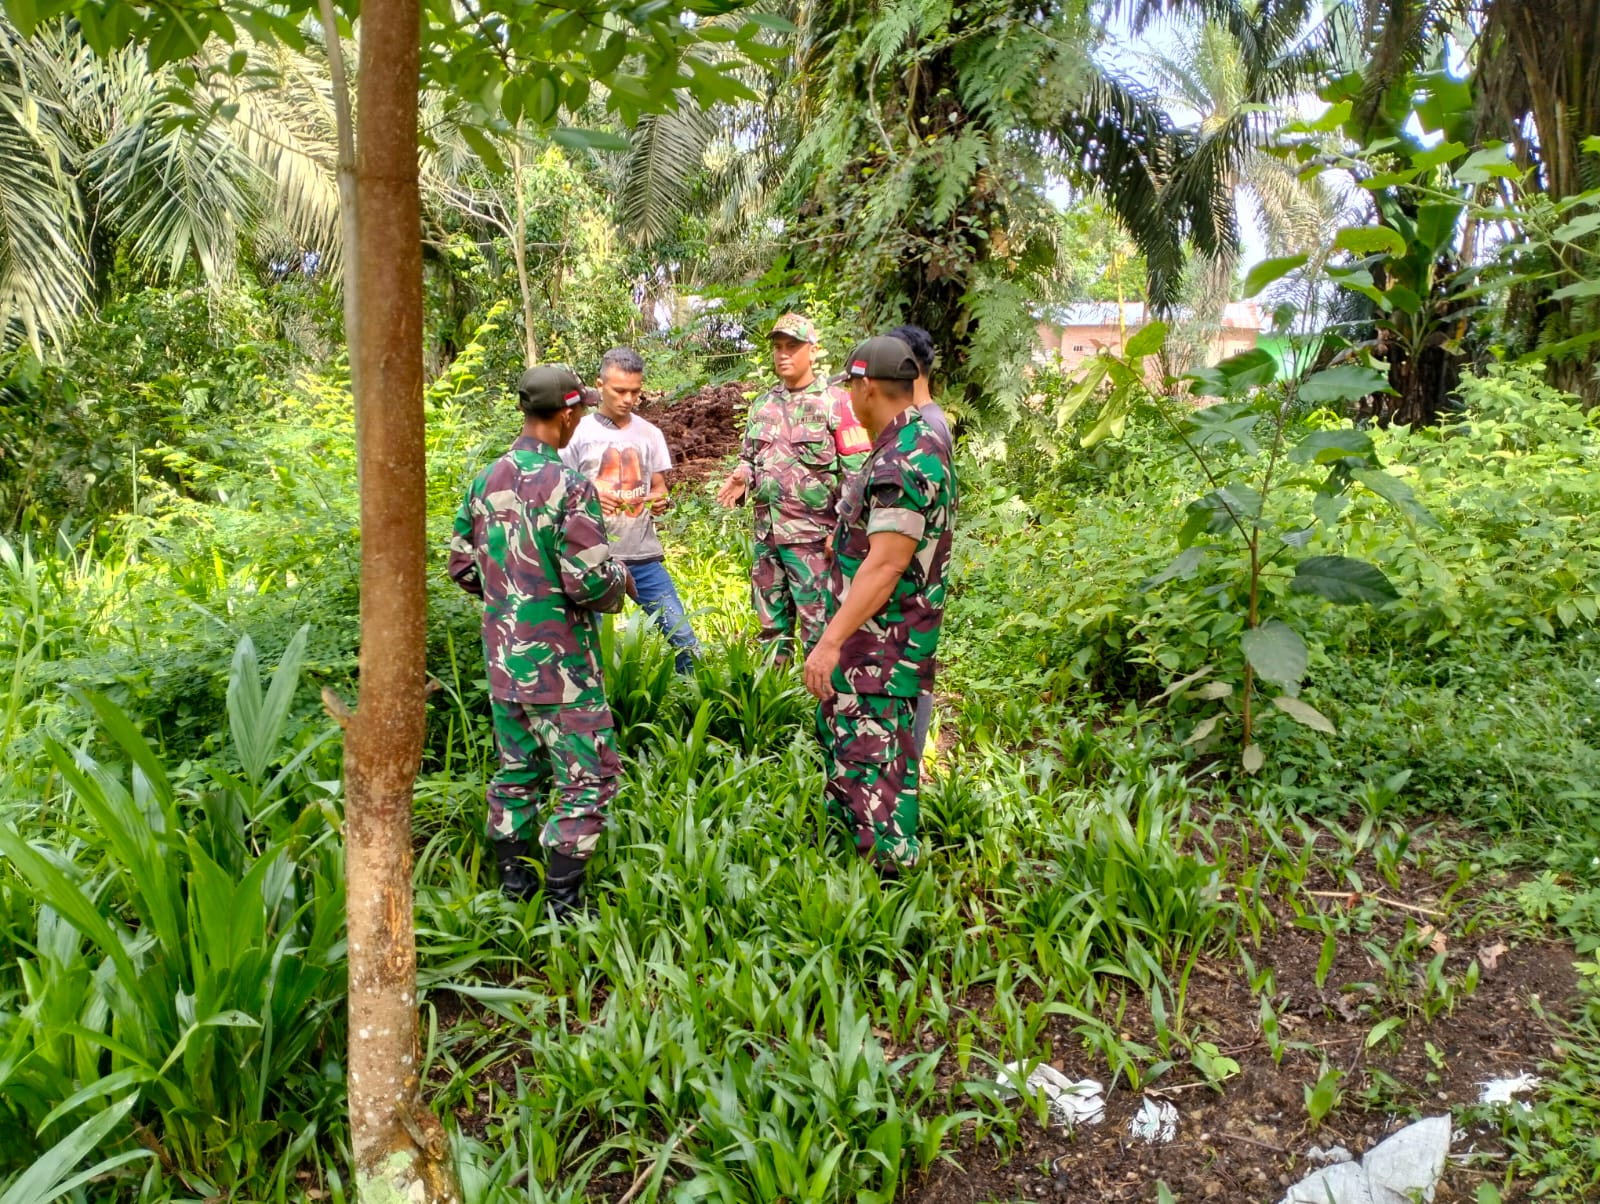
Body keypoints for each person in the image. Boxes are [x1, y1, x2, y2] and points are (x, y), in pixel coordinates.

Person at [448, 364, 634, 916]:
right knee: (588, 779)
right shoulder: (569, 485)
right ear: (570, 414)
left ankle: (513, 889)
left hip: (504, 662)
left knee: (516, 771)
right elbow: (590, 580)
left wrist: (510, 593)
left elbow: (462, 566)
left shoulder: (485, 479)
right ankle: (562, 901)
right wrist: (619, 577)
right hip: (563, 670)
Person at [802, 336, 957, 876]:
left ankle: (892, 903)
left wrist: (829, 642)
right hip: (875, 651)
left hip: (880, 653)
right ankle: (860, 879)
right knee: (856, 766)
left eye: (849, 385)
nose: (847, 397)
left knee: (878, 781)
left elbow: (887, 565)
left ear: (867, 386)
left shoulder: (903, 459)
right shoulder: (910, 441)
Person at [715, 313, 871, 662]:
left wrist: (842, 532)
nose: (784, 354)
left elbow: (858, 477)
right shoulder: (763, 405)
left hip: (814, 542)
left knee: (820, 631)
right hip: (767, 538)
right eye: (778, 347)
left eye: (793, 347)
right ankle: (776, 704)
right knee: (771, 631)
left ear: (813, 351)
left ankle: (821, 707)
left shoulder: (838, 404)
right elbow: (750, 458)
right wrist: (743, 475)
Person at [561, 347, 701, 673]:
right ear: (600, 385)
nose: (628, 399)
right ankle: (598, 712)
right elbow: (556, 490)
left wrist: (661, 499)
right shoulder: (577, 434)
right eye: (619, 390)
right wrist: (589, 491)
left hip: (643, 556)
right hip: (592, 559)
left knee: (683, 638)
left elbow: (660, 487)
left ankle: (695, 705)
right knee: (589, 649)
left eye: (635, 391)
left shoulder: (650, 434)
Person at [883, 323, 954, 760]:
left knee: (911, 679)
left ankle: (906, 767)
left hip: (912, 586)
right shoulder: (924, 422)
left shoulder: (927, 429)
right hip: (915, 583)